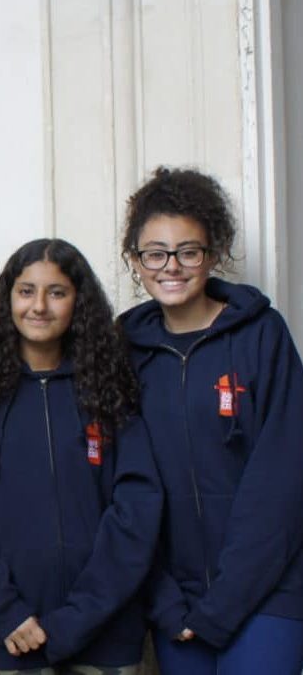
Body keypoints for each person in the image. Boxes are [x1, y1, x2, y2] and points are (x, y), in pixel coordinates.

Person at [118, 167, 303, 674]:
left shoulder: (262, 336)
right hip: (174, 604)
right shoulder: (122, 351)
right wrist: (165, 600)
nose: (171, 266)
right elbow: (123, 489)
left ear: (214, 253)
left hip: (268, 594)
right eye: (155, 252)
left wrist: (223, 604)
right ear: (135, 259)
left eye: (188, 251)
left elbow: (282, 484)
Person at [0, 238, 162, 673]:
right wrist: (5, 609)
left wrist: (80, 616)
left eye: (57, 292)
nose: (39, 306)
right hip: (9, 637)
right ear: (7, 298)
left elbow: (136, 513)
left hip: (106, 635)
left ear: (78, 302)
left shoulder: (112, 391)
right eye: (26, 291)